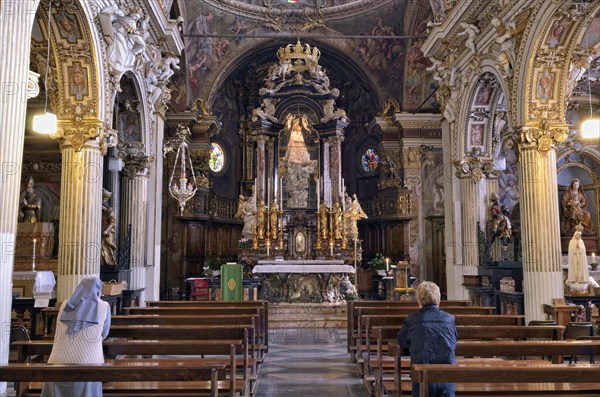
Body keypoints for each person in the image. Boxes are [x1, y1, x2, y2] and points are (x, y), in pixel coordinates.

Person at [41, 277, 111, 397]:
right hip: (89, 363)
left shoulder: (65, 304)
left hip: (56, 363)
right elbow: (104, 334)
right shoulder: (104, 306)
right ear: (98, 291)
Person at [398, 281, 457, 397]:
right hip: (446, 373)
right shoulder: (449, 319)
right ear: (438, 299)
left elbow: (402, 342)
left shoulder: (411, 320)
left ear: (419, 301)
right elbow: (454, 341)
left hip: (421, 371)